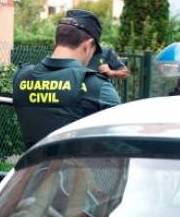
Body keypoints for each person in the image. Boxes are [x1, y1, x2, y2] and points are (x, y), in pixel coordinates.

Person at [13, 10, 122, 148]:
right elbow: (120, 142)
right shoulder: (96, 86)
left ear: (55, 41)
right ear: (88, 46)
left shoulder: (21, 78)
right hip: (79, 169)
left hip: (32, 168)